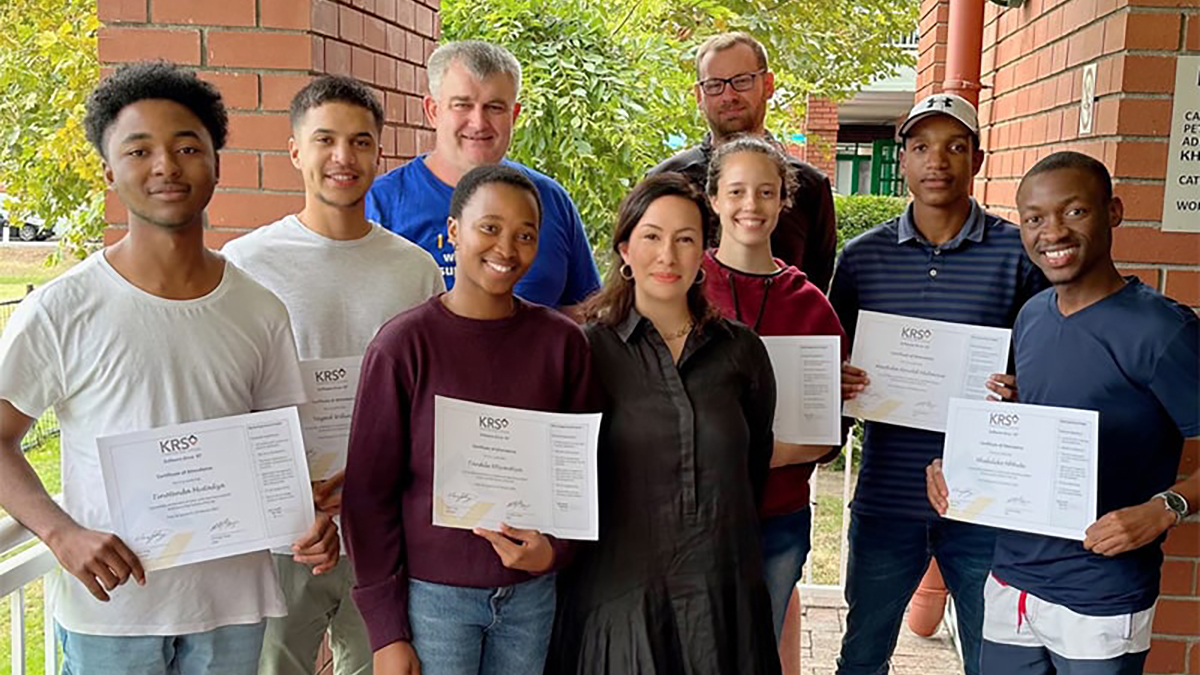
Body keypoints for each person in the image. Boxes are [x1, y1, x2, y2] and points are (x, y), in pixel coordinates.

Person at [0, 61, 338, 675]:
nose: (166, 166)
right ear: (108, 170)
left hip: (232, 609)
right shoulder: (63, 308)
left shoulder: (259, 309)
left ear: (216, 163)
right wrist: (60, 534)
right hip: (114, 612)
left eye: (187, 147)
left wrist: (306, 517)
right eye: (140, 150)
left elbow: (276, 454)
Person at [927, 152, 1199, 674]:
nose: (1052, 232)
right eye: (1034, 218)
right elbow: (1041, 430)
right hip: (1011, 579)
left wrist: (1166, 507)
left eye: (1074, 212)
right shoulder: (1032, 316)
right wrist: (960, 466)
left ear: (1112, 211)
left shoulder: (1161, 331)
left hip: (1100, 591)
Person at [223, 75, 444, 675]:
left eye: (360, 142)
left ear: (379, 152)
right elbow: (228, 399)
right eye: (325, 140)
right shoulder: (244, 265)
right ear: (295, 150)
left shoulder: (415, 269)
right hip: (281, 534)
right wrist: (290, 499)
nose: (343, 157)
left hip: (383, 527)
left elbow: (430, 400)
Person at [343, 165, 595, 675]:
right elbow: (368, 496)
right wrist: (386, 631)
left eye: (526, 235)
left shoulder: (561, 344)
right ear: (453, 230)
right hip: (434, 600)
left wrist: (555, 552)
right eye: (490, 227)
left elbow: (583, 471)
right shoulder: (403, 346)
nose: (507, 247)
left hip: (531, 596)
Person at [828, 92, 1048, 675]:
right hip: (888, 492)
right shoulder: (862, 258)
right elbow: (832, 360)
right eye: (921, 146)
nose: (938, 161)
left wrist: (1022, 389)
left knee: (991, 653)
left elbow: (1044, 362)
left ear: (977, 159)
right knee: (863, 650)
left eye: (955, 146)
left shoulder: (1017, 254)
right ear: (901, 159)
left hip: (985, 496)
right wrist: (839, 383)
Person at [547, 173, 780, 675]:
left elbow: (752, 467)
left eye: (685, 239)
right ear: (625, 248)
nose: (667, 255)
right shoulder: (585, 351)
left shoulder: (742, 352)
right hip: (618, 603)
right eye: (651, 236)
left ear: (704, 253)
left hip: (723, 601)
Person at [700, 136, 847, 644]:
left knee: (756, 648)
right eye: (736, 191)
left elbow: (828, 436)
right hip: (694, 514)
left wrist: (755, 454)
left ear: (785, 200)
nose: (751, 206)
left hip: (777, 516)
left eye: (766, 192)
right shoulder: (683, 286)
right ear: (714, 198)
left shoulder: (810, 305)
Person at [365, 40, 600, 311]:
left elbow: (589, 313)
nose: (478, 122)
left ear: (514, 115)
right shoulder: (380, 205)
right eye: (462, 105)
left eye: (495, 107)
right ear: (432, 111)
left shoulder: (550, 200)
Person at [649, 32, 837, 292]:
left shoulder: (811, 187)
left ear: (768, 85)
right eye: (714, 84)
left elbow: (816, 286)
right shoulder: (665, 182)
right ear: (699, 95)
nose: (728, 96)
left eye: (742, 81)